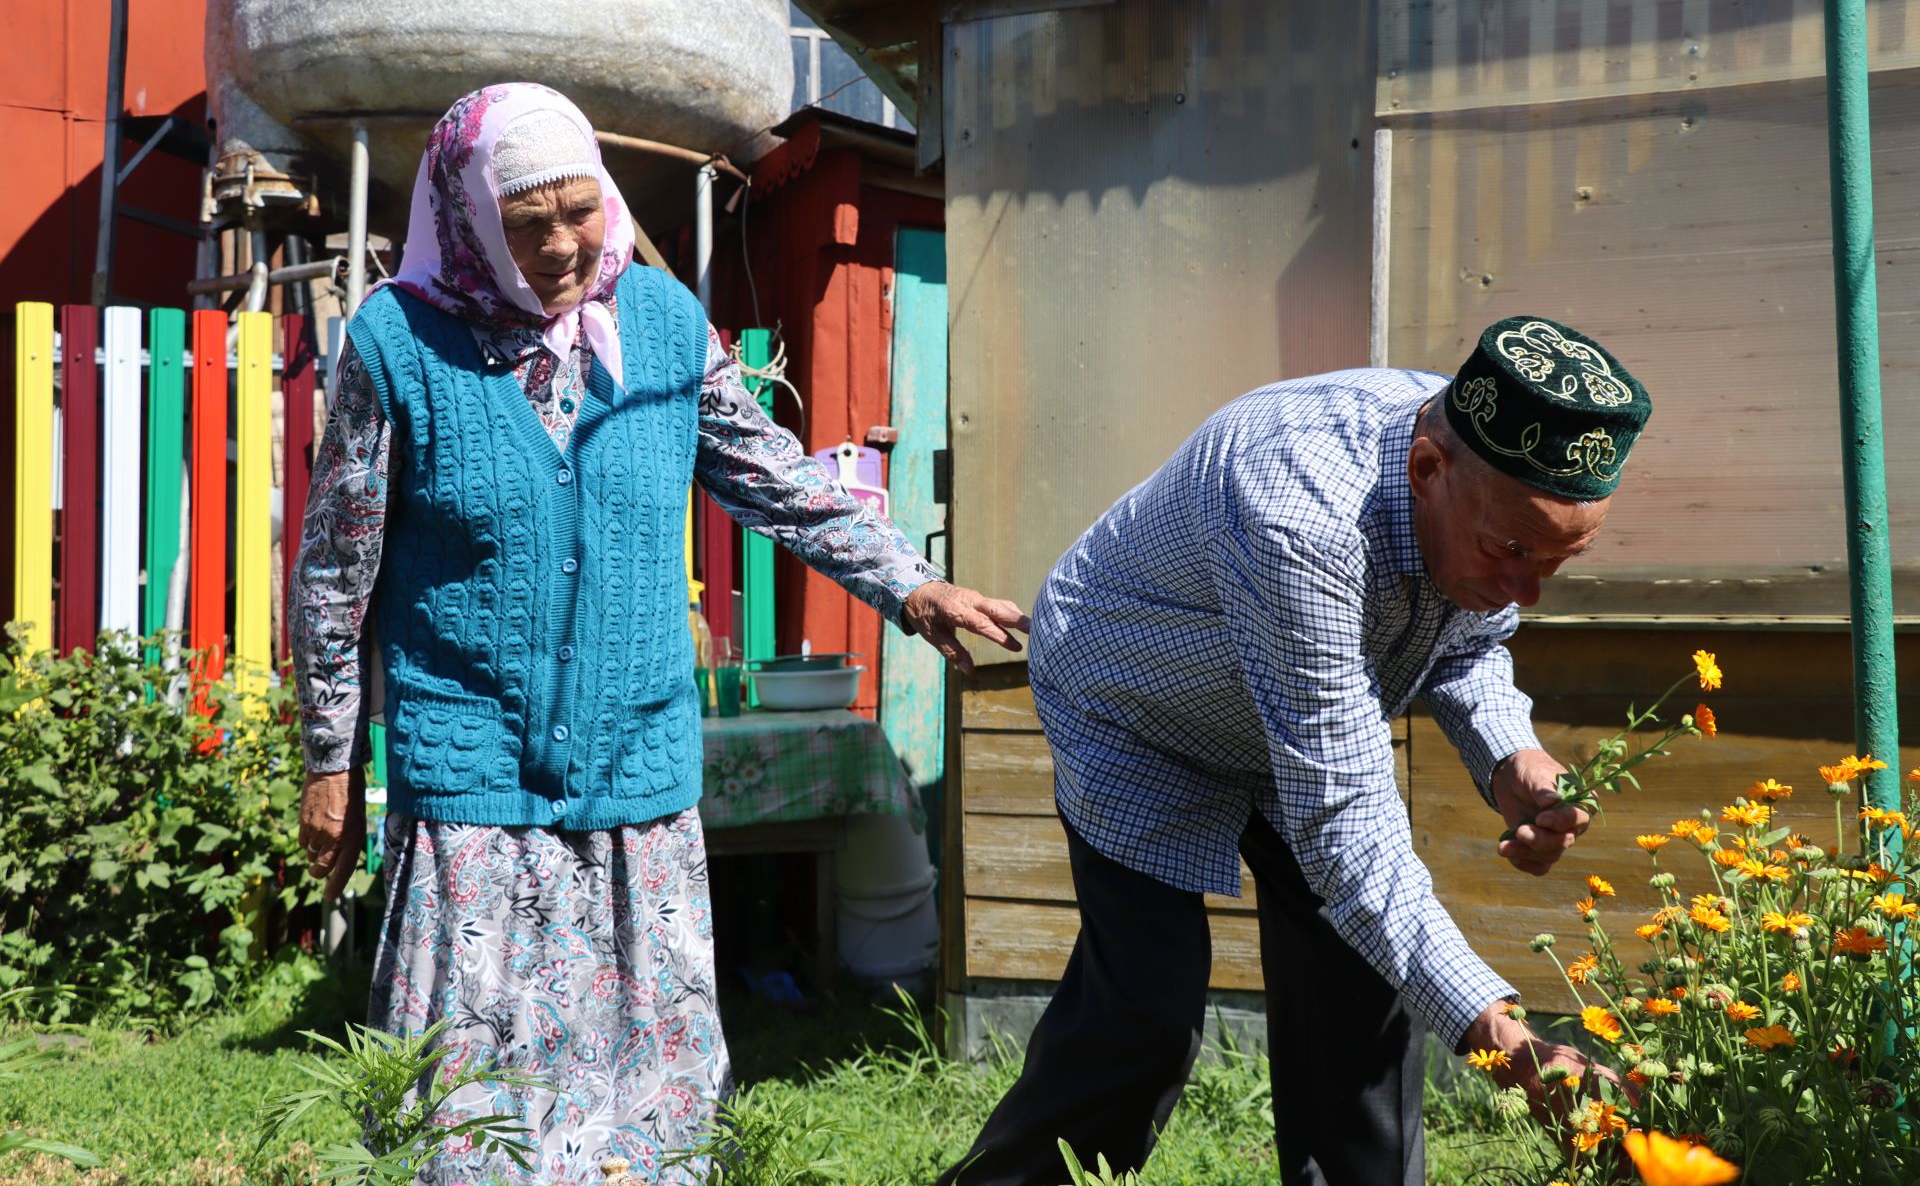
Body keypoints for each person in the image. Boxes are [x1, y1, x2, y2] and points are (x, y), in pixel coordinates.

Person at [290, 82, 1028, 1185]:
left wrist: (911, 587)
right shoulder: (400, 343)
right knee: (469, 1111)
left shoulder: (667, 326)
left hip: (639, 782)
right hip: (473, 784)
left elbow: (775, 476)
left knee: (651, 1111)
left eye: (578, 210)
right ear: (471, 221)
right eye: (524, 221)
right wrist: (332, 754)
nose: (558, 244)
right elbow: (337, 567)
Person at [938, 317, 1653, 1186]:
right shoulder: (1301, 507)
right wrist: (1506, 1042)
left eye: (1557, 561)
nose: (1525, 591)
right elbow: (1344, 822)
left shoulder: (1490, 456)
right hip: (1131, 700)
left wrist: (1511, 756)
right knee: (1142, 1021)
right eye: (1511, 552)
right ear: (1427, 471)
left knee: (1360, 1003)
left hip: (1290, 712)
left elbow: (1468, 643)